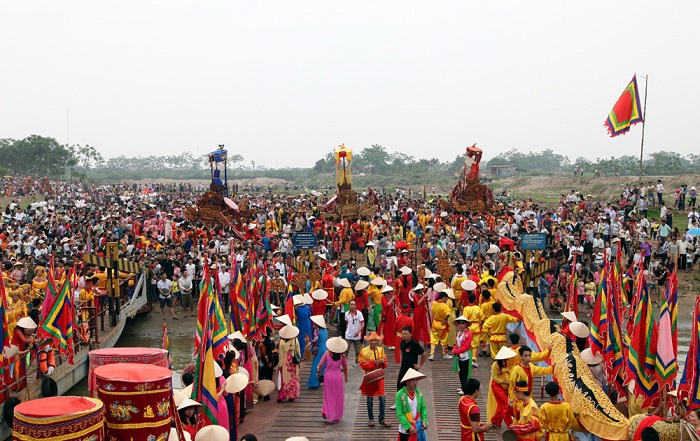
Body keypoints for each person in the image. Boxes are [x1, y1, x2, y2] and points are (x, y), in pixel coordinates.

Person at [358, 332, 391, 428]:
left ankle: (382, 418)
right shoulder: (364, 351)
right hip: (370, 377)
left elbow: (385, 364)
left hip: (379, 377)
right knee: (369, 399)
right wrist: (374, 363)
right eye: (372, 340)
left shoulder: (381, 350)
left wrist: (382, 362)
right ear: (369, 341)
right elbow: (363, 365)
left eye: (375, 340)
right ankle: (371, 418)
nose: (373, 342)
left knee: (382, 398)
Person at [393, 326, 427, 410]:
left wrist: (420, 365)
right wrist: (401, 361)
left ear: (410, 334)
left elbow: (424, 353)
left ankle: (413, 404)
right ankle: (398, 403)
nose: (404, 335)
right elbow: (401, 350)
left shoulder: (414, 344)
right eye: (402, 334)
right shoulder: (402, 342)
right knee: (400, 385)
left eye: (406, 334)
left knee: (412, 386)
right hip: (404, 367)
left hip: (412, 369)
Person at [318, 337, 348, 424]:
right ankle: (336, 415)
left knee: (328, 396)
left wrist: (318, 372)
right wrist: (346, 377)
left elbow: (320, 364)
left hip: (328, 376)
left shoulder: (327, 354)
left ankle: (329, 413)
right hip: (337, 377)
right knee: (337, 396)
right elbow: (345, 368)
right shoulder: (342, 356)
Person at [487, 346, 517, 429]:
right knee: (506, 404)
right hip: (497, 386)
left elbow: (507, 371)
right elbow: (494, 378)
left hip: (504, 385)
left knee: (501, 404)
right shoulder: (495, 365)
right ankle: (510, 425)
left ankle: (495, 421)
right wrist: (504, 382)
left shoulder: (505, 363)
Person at [395, 368, 429, 441]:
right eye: (412, 380)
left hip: (418, 426)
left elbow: (423, 408)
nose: (415, 382)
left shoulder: (419, 393)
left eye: (416, 380)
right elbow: (399, 413)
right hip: (405, 429)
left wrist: (424, 421)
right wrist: (409, 427)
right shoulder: (399, 394)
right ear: (407, 381)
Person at [277, 325, 301, 403]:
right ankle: (292, 395)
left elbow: (280, 355)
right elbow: (298, 351)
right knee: (293, 378)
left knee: (285, 378)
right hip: (294, 360)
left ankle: (283, 395)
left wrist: (279, 365)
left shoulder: (282, 342)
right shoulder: (295, 340)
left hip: (285, 361)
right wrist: (299, 362)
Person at [452, 315, 473, 395]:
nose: (461, 325)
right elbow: (457, 344)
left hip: (465, 355)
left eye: (462, 323)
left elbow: (466, 346)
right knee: (461, 372)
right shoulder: (459, 333)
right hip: (459, 355)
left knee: (465, 373)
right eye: (459, 323)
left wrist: (456, 351)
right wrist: (455, 349)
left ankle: (465, 389)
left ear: (466, 324)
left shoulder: (468, 334)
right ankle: (462, 386)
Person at [307, 315, 328, 390]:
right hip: (326, 349)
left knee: (315, 366)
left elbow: (315, 340)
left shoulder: (317, 331)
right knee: (322, 366)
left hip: (320, 349)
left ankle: (314, 383)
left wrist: (310, 344)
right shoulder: (325, 330)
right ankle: (319, 381)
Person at [429, 291, 453, 360]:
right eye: (446, 298)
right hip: (442, 325)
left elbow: (432, 310)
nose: (446, 300)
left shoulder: (434, 303)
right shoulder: (444, 306)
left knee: (433, 340)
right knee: (444, 340)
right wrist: (444, 320)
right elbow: (448, 313)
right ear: (443, 298)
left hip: (435, 323)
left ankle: (432, 354)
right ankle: (445, 354)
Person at [344, 300, 364, 365]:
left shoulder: (359, 313)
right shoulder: (346, 314)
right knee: (345, 349)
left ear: (356, 305)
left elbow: (362, 323)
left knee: (358, 350)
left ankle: (357, 361)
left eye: (354, 305)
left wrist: (358, 331)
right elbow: (347, 323)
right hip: (348, 335)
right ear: (349, 305)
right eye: (351, 305)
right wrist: (348, 330)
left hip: (357, 335)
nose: (353, 306)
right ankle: (344, 362)